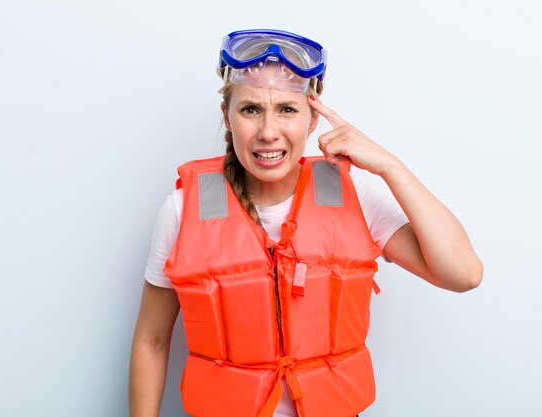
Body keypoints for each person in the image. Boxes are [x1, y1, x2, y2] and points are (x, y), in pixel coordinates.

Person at [129, 29, 483, 417]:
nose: (268, 132)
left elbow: (463, 274)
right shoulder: (182, 210)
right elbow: (152, 340)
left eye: (287, 109)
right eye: (250, 109)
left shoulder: (357, 194)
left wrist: (389, 165)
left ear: (313, 119)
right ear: (227, 117)